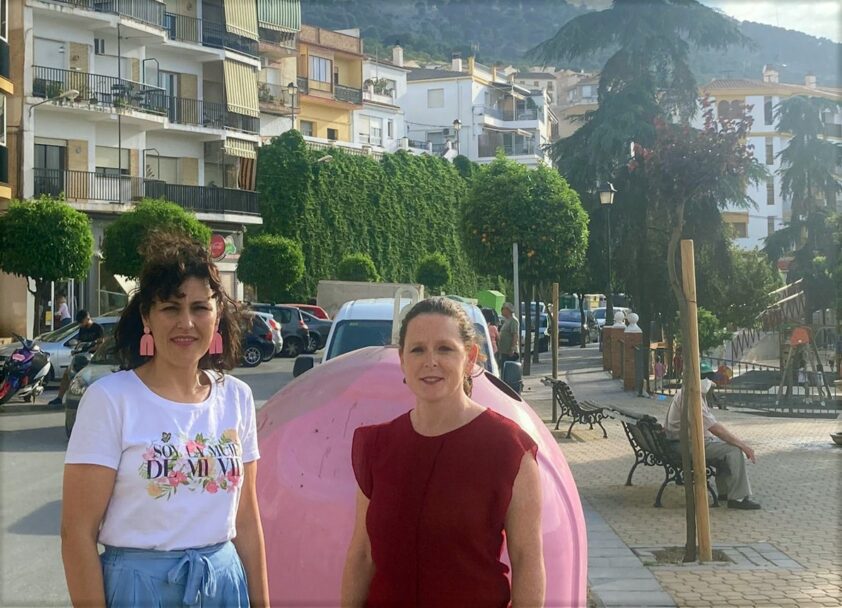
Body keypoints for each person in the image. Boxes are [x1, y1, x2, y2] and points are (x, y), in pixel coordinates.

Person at [61, 233, 269, 607]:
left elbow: (248, 522)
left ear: (217, 314)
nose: (186, 323)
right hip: (138, 592)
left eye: (199, 308)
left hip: (223, 587)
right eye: (171, 308)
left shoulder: (237, 397)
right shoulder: (110, 400)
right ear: (147, 317)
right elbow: (77, 532)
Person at [341, 297, 545, 606]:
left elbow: (527, 559)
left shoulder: (509, 448)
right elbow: (362, 554)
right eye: (418, 349)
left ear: (470, 357)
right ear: (402, 359)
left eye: (445, 349)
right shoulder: (376, 446)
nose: (430, 361)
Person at [664, 362, 761, 510]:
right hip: (685, 446)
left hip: (681, 442)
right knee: (733, 450)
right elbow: (716, 429)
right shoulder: (691, 398)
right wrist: (743, 445)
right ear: (697, 379)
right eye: (706, 378)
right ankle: (738, 497)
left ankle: (725, 492)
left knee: (724, 446)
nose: (710, 382)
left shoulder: (689, 393)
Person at [48, 309, 105, 406]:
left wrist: (91, 348)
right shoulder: (82, 329)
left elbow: (101, 344)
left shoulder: (97, 328)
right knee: (67, 373)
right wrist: (77, 349)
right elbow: (79, 342)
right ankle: (59, 397)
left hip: (93, 358)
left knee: (88, 378)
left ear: (87, 319)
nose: (80, 324)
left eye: (82, 322)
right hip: (81, 357)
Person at [497, 301, 520, 369]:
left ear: (507, 310)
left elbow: (515, 335)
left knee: (508, 370)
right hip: (504, 351)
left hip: (509, 352)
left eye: (502, 308)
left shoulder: (513, 321)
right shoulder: (506, 320)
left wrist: (512, 348)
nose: (501, 310)